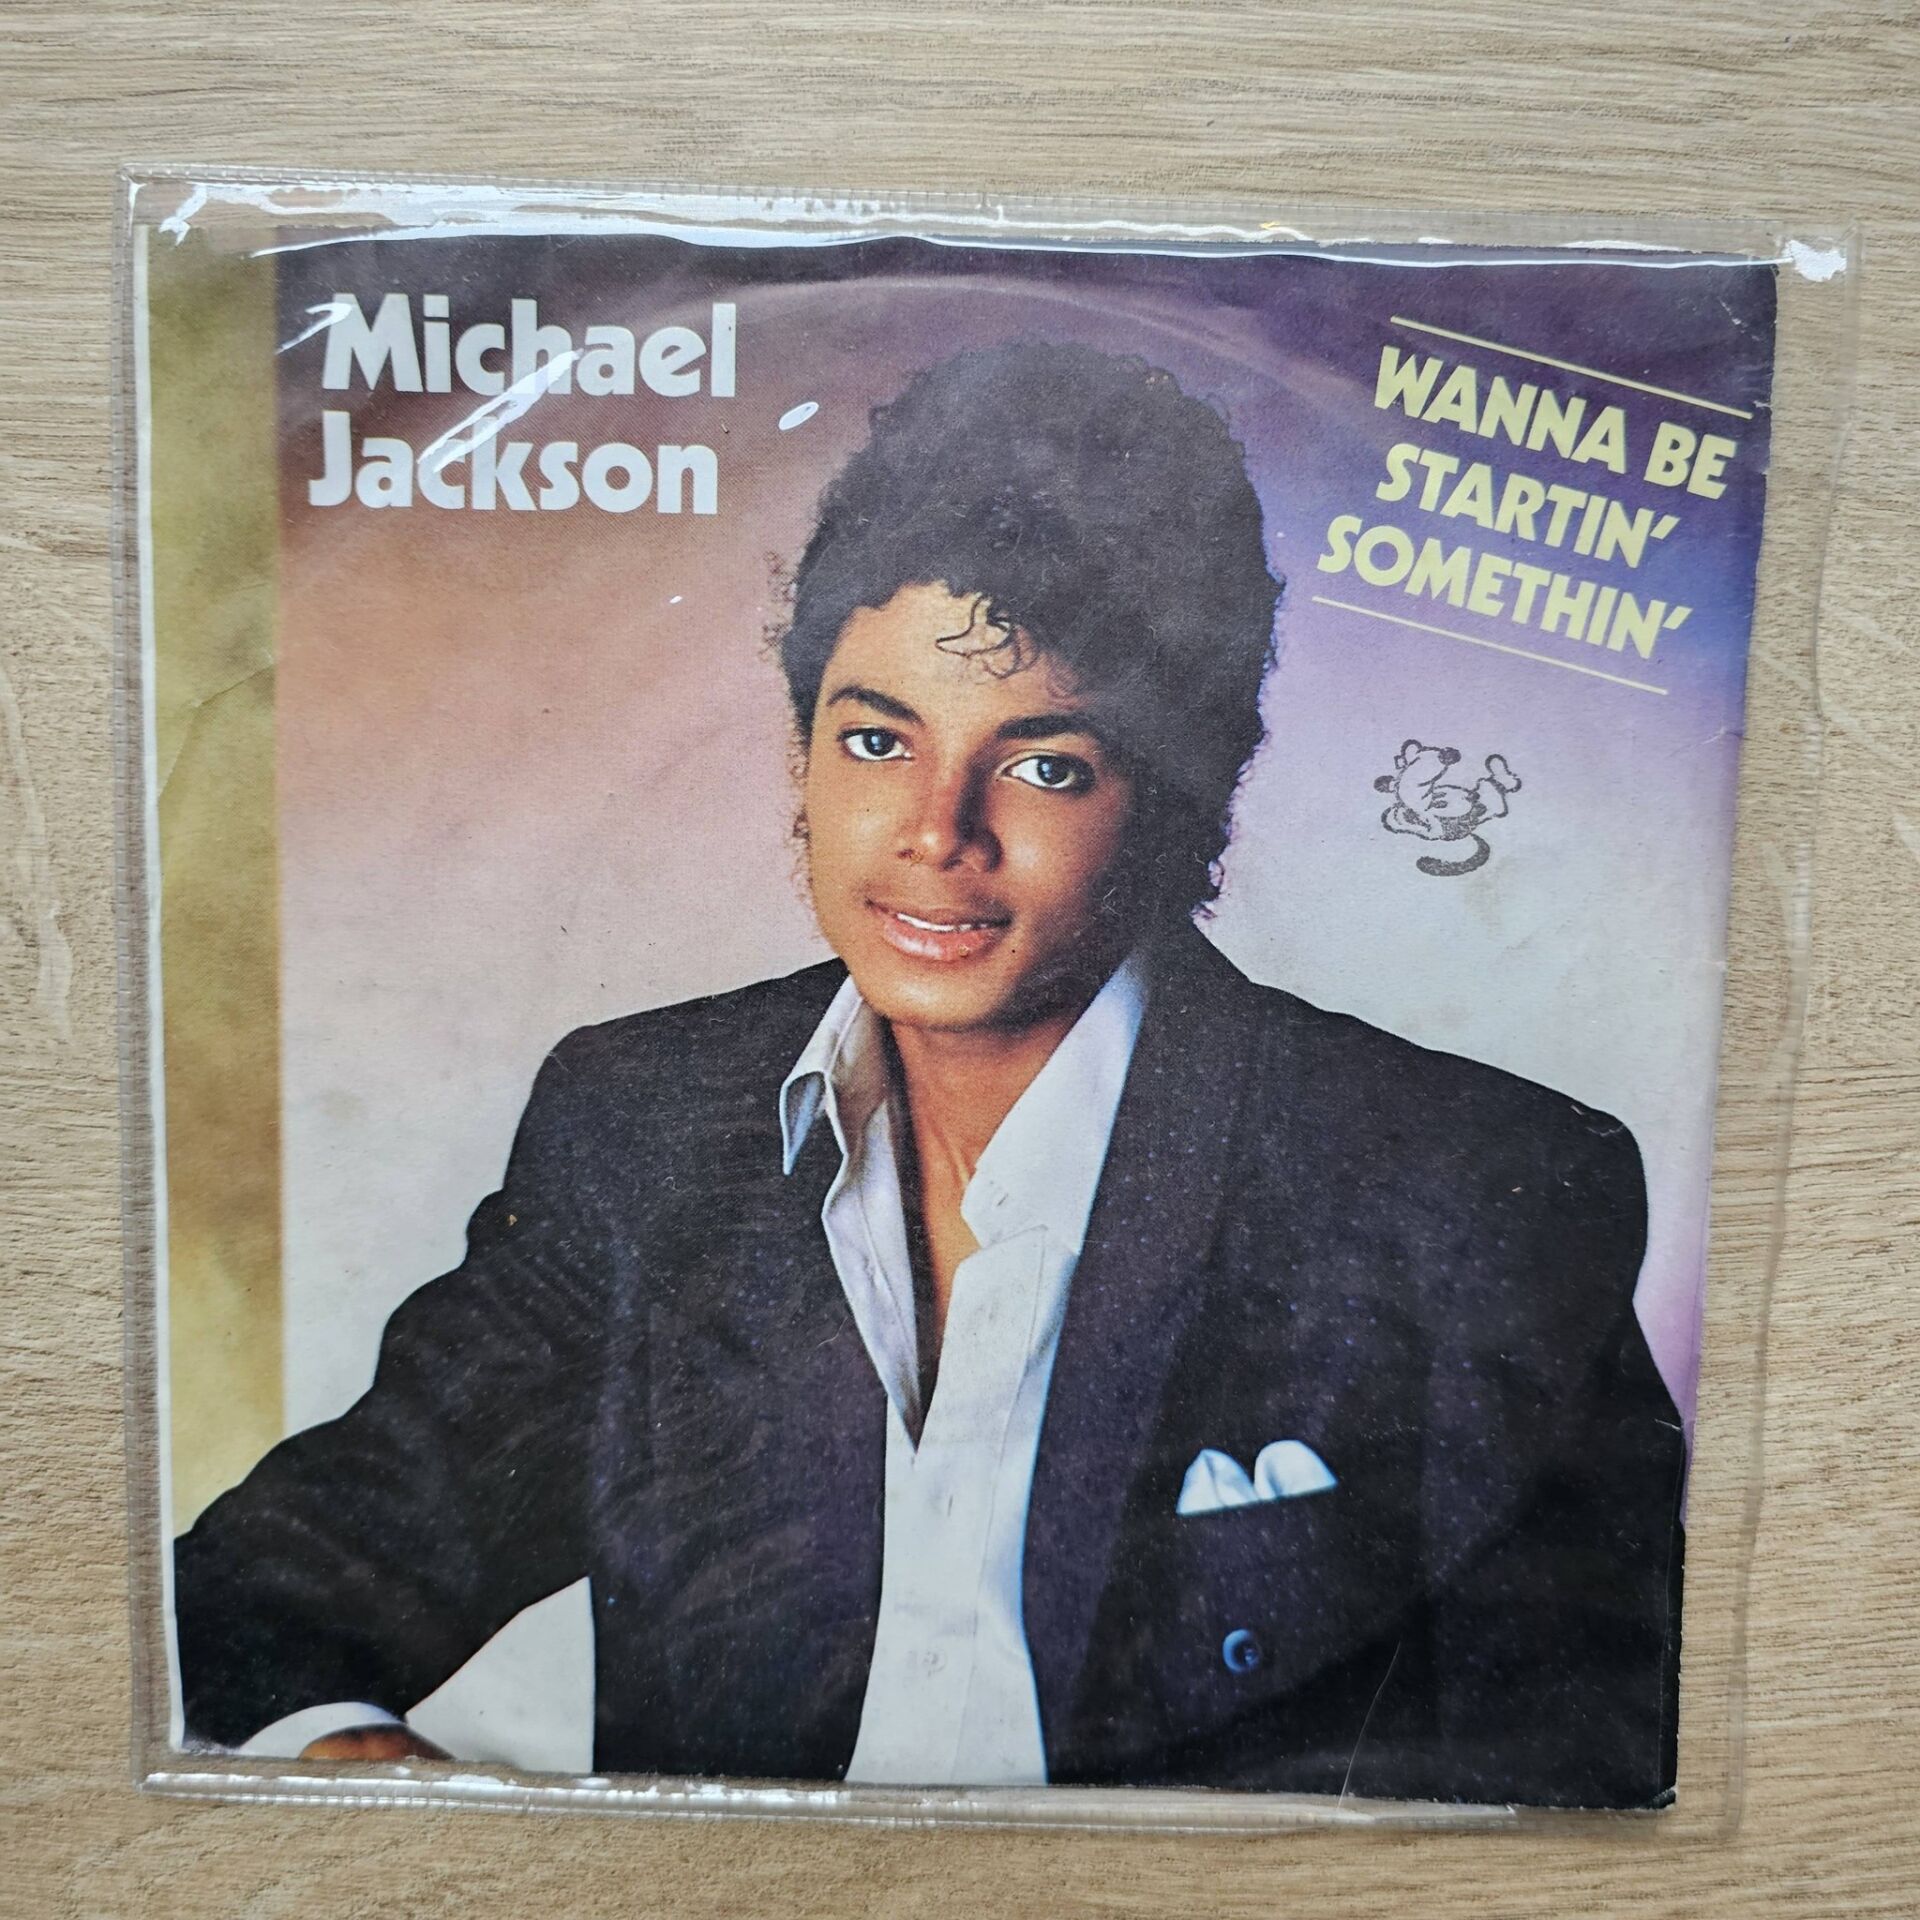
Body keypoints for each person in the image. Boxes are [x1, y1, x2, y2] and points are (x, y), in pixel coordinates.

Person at [174, 342, 1685, 1808]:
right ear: (803, 751)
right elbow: (266, 1585)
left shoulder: (1466, 1188)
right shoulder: (647, 1129)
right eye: (877, 739)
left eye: (1045, 764)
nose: (936, 831)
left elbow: (1590, 1776)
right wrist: (357, 1764)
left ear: (1180, 793)